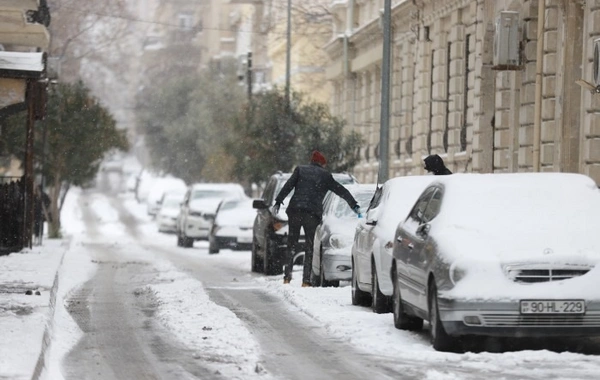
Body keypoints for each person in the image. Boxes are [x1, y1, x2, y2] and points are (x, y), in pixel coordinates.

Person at [274, 150, 360, 287]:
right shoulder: (325, 175)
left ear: (312, 161)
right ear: (322, 163)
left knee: (291, 243)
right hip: (312, 214)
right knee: (309, 246)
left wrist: (278, 201)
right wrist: (353, 204)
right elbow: (340, 190)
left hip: (295, 210)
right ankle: (305, 281)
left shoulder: (300, 170)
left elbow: (288, 185)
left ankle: (287, 277)